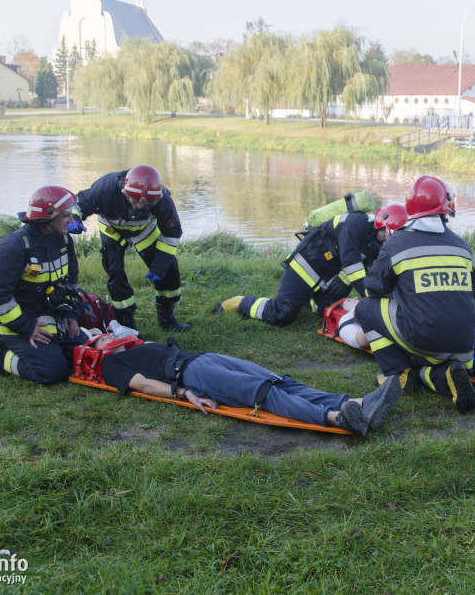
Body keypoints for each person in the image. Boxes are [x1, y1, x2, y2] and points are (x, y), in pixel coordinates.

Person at [91, 333, 401, 436]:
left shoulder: (134, 345)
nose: (107, 335)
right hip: (192, 375)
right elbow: (143, 385)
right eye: (100, 337)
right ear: (99, 347)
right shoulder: (110, 363)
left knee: (278, 380)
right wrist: (185, 393)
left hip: (204, 358)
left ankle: (360, 404)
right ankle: (339, 419)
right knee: (262, 393)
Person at [354, 176, 475, 414]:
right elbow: (470, 296)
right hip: (465, 346)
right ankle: (446, 376)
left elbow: (373, 289)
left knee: (364, 308)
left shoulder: (397, 242)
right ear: (445, 207)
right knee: (431, 364)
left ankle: (399, 375)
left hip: (424, 339)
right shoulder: (463, 247)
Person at [215, 203, 404, 326]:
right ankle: (239, 302)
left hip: (327, 277)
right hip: (305, 267)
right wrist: (369, 296)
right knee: (281, 315)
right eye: (388, 234)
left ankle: (310, 300)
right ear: (380, 223)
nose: (388, 240)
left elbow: (370, 273)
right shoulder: (354, 224)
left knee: (330, 312)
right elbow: (352, 264)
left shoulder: (377, 243)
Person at [0, 185, 90, 384]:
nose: (71, 220)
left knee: (83, 358)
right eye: (66, 215)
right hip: (17, 323)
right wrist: (26, 327)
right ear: (47, 218)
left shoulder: (64, 240)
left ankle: (51, 348)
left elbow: (69, 282)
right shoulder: (14, 247)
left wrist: (70, 314)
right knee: (52, 372)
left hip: (50, 316)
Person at [73, 165, 190, 332]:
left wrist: (160, 266)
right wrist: (74, 219)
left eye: (144, 203)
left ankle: (167, 316)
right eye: (133, 200)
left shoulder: (163, 199)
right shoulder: (105, 188)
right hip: (112, 229)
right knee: (115, 272)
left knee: (169, 269)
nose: (138, 206)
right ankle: (126, 320)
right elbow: (78, 203)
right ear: (123, 191)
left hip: (144, 231)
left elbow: (172, 233)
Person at [334, 298, 475, 386]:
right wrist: (371, 316)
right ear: (345, 306)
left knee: (471, 347)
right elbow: (361, 341)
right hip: (398, 342)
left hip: (408, 327)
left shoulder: (372, 300)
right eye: (350, 300)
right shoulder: (346, 321)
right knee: (447, 351)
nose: (354, 298)